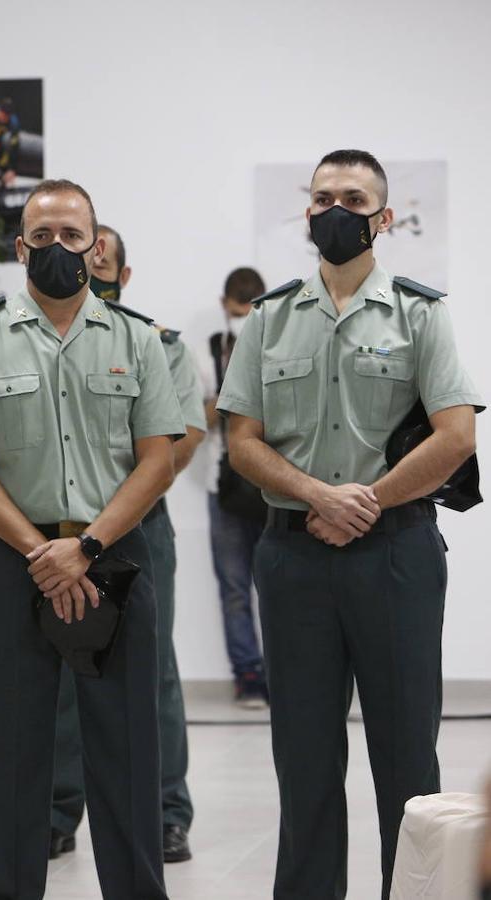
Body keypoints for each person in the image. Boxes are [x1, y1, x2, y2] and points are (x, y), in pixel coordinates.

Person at [217, 148, 480, 898]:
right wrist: (317, 496)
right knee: (302, 760)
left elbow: (457, 435)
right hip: (293, 558)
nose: (338, 209)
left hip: (395, 557)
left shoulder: (421, 312)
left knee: (407, 763)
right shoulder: (268, 318)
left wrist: (365, 502)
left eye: (355, 198)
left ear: (384, 218)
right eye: (325, 195)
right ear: (308, 211)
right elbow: (242, 441)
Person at [0, 179, 184, 899]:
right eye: (41, 237)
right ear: (20, 248)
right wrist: (41, 551)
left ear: (95, 246)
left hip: (114, 560)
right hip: (18, 561)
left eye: (73, 236)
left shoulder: (137, 338)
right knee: (11, 749)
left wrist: (88, 547)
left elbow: (157, 458)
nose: (58, 249)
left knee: (126, 747)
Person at [50, 224, 206, 865]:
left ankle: (166, 812)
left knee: (151, 670)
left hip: (138, 529)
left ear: (123, 273)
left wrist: (115, 512)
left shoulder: (157, 344)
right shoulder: (38, 340)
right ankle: (57, 811)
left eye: (103, 261)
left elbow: (186, 436)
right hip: (55, 536)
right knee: (61, 670)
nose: (91, 268)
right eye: (85, 258)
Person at [200, 266, 271, 707]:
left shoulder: (278, 343)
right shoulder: (208, 349)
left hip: (271, 482)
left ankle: (288, 672)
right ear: (223, 306)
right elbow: (194, 417)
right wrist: (232, 391)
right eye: (236, 311)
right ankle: (247, 674)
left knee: (281, 585)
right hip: (220, 483)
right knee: (233, 588)